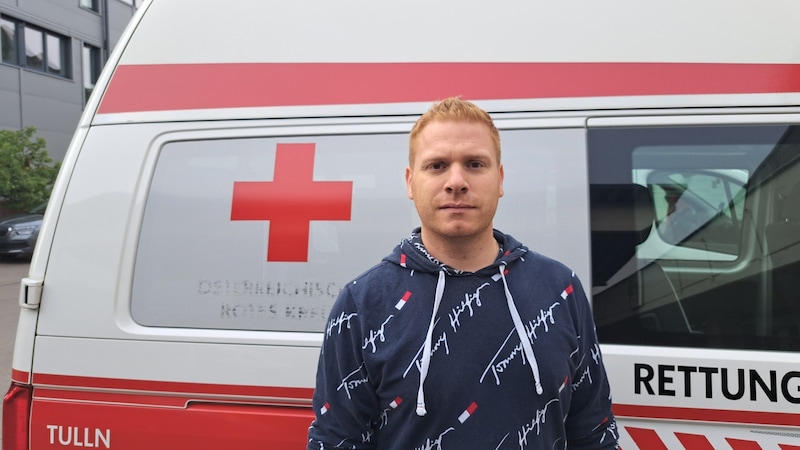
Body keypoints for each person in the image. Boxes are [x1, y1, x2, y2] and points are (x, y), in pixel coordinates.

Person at [307, 97, 619, 449]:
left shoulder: (560, 289)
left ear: (499, 179)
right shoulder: (362, 303)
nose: (456, 181)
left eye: (474, 164)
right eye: (437, 166)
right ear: (411, 183)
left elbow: (594, 434)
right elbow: (336, 441)